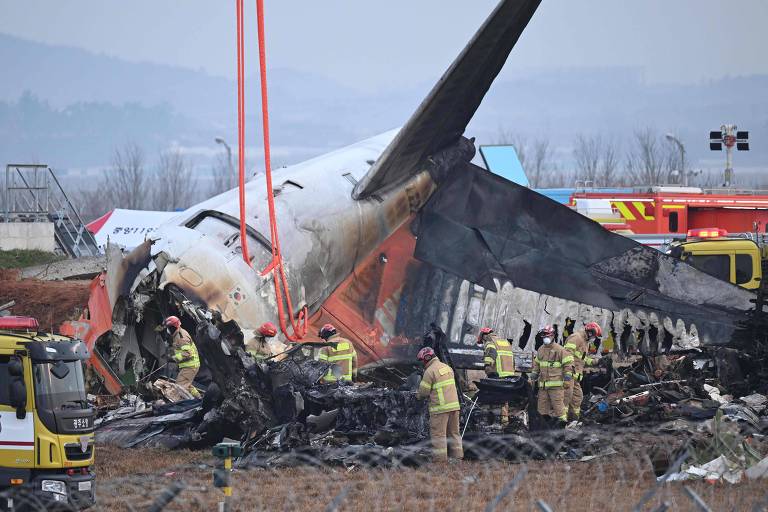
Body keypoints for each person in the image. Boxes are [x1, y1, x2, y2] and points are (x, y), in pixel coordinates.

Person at [416, 347, 463, 461]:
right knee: (454, 433)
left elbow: (424, 392)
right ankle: (457, 458)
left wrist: (417, 395)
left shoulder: (430, 371)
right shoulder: (447, 368)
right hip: (454, 406)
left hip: (440, 409)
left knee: (438, 435)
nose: (422, 363)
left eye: (422, 360)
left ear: (426, 358)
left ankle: (440, 460)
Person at [530, 325, 573, 426]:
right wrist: (532, 377)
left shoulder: (560, 350)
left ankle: (562, 429)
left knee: (559, 408)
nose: (545, 338)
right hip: (543, 387)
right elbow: (536, 366)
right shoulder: (541, 349)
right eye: (544, 336)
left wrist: (567, 379)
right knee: (542, 409)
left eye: (547, 336)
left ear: (553, 335)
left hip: (556, 387)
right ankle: (544, 428)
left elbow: (568, 365)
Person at [477, 326, 517, 426]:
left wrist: (489, 372)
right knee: (505, 402)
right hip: (510, 376)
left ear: (484, 336)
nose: (483, 343)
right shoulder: (505, 343)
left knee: (499, 401)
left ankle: (502, 425)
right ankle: (505, 422)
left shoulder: (490, 344)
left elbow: (489, 361)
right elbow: (513, 361)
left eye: (482, 341)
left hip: (498, 377)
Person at [563, 322, 602, 421]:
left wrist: (596, 362)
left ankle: (573, 419)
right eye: (594, 335)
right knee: (566, 398)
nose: (594, 338)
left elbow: (583, 359)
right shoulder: (577, 337)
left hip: (575, 377)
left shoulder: (586, 342)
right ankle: (560, 422)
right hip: (568, 374)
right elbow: (567, 354)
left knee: (577, 397)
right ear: (589, 332)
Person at [164, 315, 201, 398]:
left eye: (168, 328)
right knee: (187, 385)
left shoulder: (181, 337)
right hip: (189, 365)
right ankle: (199, 398)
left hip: (190, 366)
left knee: (179, 387)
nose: (167, 330)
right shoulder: (177, 334)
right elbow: (179, 349)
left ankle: (177, 404)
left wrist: (173, 358)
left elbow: (188, 353)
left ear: (173, 327)